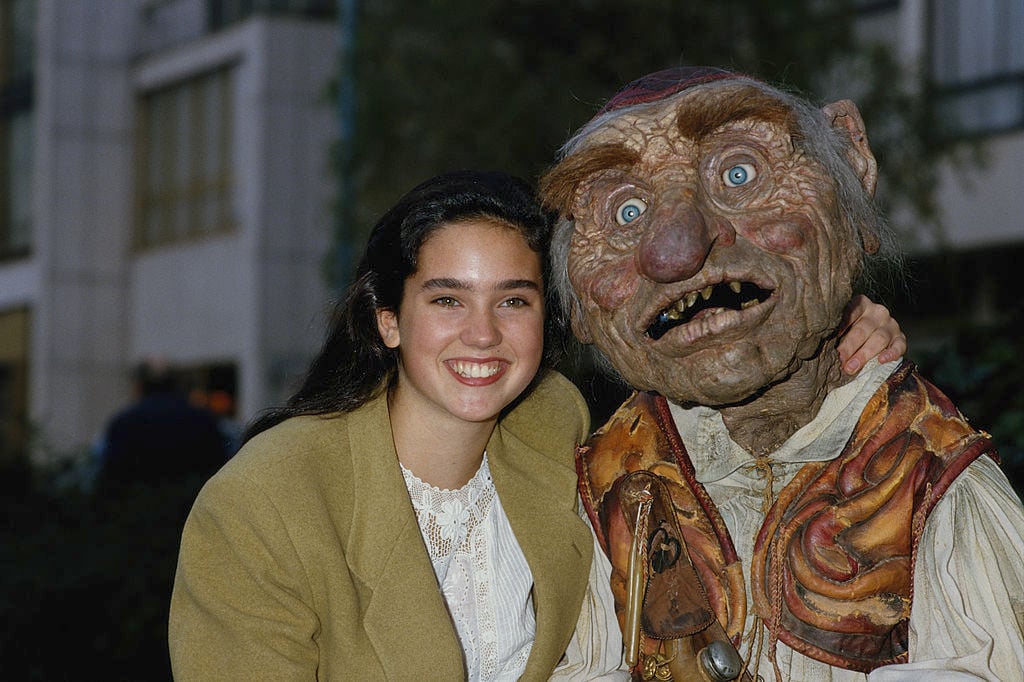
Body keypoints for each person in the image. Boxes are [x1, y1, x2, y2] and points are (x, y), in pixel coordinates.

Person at [169, 169, 902, 681]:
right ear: (387, 319)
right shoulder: (264, 502)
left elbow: (720, 432)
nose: (482, 336)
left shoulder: (556, 427)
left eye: (513, 301)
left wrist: (825, 344)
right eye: (448, 301)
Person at [539, 66, 1024, 680]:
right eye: (627, 212)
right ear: (578, 306)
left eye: (739, 174)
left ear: (851, 166)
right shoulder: (601, 485)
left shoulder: (930, 473)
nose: (677, 250)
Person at [96, 359, 227, 492]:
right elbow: (219, 468)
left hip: (138, 507)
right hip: (189, 506)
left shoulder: (124, 423)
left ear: (139, 386)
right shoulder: (203, 419)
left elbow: (109, 477)